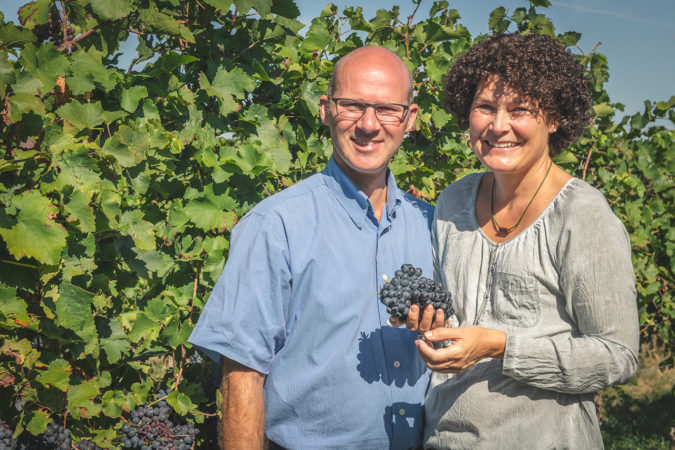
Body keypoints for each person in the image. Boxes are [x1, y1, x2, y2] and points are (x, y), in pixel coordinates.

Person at [188, 46, 437, 449]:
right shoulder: (276, 225)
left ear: (409, 119)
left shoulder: (430, 224)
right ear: (325, 110)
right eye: (351, 106)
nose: (369, 125)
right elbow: (242, 377)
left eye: (388, 109)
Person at [404, 33, 640, 449]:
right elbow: (456, 315)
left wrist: (499, 347)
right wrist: (431, 323)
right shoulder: (454, 201)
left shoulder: (580, 215)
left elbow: (617, 355)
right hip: (445, 437)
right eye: (485, 107)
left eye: (520, 110)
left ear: (554, 118)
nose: (498, 126)